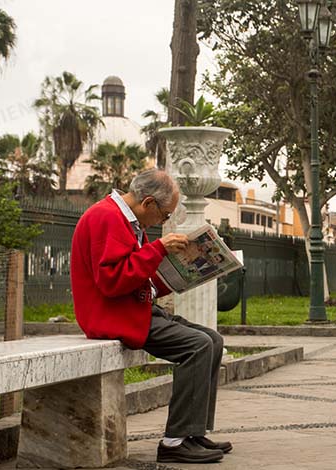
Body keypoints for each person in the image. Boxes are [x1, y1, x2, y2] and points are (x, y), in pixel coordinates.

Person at [71, 169, 230, 464]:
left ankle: (192, 433)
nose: (164, 222)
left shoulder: (128, 221)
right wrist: (157, 249)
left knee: (213, 340)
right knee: (197, 345)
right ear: (148, 203)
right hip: (112, 316)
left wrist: (184, 274)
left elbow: (134, 273)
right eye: (165, 215)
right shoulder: (105, 217)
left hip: (134, 308)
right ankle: (174, 441)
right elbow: (111, 281)